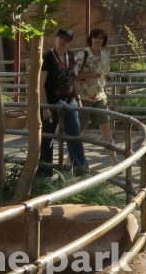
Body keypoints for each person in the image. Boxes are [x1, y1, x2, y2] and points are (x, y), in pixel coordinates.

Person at [40, 28, 89, 176]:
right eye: (61, 38)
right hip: (51, 101)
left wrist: (78, 98)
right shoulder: (47, 57)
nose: (63, 41)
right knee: (48, 136)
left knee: (74, 134)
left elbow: (73, 80)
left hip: (69, 100)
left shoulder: (70, 55)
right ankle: (45, 172)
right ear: (56, 38)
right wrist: (44, 107)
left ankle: (80, 169)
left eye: (66, 39)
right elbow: (40, 84)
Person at [75, 28, 118, 166]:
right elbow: (73, 75)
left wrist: (106, 93)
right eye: (95, 37)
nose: (97, 40)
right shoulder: (82, 55)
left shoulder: (105, 57)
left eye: (100, 38)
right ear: (91, 39)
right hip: (84, 96)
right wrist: (89, 76)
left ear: (103, 40)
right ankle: (68, 160)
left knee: (106, 128)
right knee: (80, 130)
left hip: (100, 96)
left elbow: (104, 77)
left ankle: (114, 160)